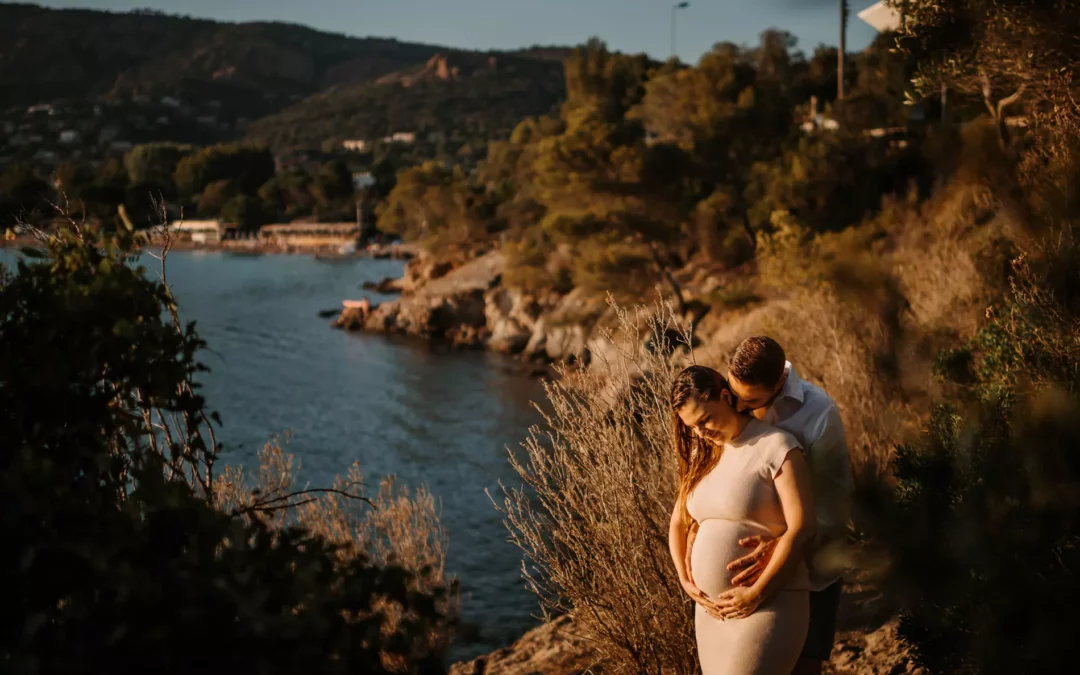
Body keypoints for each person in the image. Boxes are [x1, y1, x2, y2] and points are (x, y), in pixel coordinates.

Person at [687, 337, 854, 675]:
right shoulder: (727, 400)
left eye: (750, 400)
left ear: (779, 382)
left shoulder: (818, 414)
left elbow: (837, 502)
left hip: (808, 567)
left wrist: (786, 539)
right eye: (734, 396)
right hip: (729, 598)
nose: (740, 407)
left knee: (803, 668)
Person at [668, 365, 817, 675]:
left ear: (725, 396)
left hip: (769, 601)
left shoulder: (777, 446)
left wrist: (756, 593)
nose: (701, 432)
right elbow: (678, 523)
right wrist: (685, 580)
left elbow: (803, 527)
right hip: (711, 613)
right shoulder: (702, 456)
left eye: (705, 419)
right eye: (692, 426)